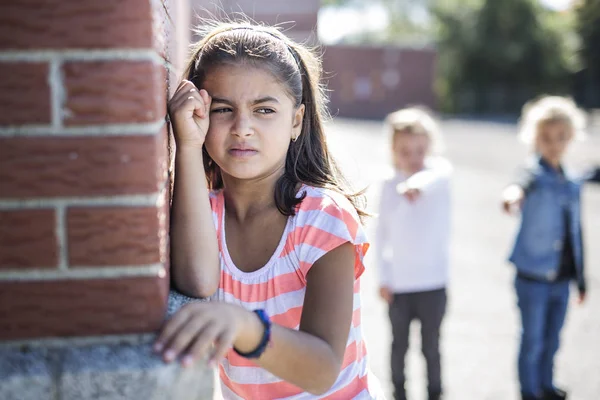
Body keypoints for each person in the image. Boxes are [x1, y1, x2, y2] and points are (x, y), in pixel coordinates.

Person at [153, 21, 384, 399]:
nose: (242, 127)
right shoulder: (204, 212)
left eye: (264, 110)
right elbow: (197, 281)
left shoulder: (323, 218)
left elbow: (322, 369)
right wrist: (188, 145)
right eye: (223, 109)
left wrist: (245, 326)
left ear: (296, 121)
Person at [502, 96, 588, 400]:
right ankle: (530, 391)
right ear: (535, 137)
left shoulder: (571, 181)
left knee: (552, 339)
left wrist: (581, 279)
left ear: (572, 137)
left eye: (561, 137)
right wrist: (512, 196)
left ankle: (546, 385)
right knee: (533, 340)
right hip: (532, 276)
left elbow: (575, 232)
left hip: (561, 278)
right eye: (546, 138)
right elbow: (518, 184)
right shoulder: (533, 175)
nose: (554, 144)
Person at [375, 108, 451, 400]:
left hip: (433, 282)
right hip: (400, 284)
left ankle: (435, 392)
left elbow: (433, 178)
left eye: (420, 150)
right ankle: (399, 393)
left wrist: (415, 185)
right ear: (393, 150)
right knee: (399, 345)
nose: (413, 157)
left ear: (429, 147)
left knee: (431, 346)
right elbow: (380, 235)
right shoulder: (387, 183)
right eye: (405, 151)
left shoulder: (439, 174)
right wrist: (384, 277)